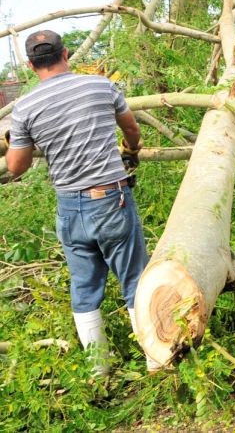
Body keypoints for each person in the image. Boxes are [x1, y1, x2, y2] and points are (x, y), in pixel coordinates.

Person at [5, 30, 149, 378]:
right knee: (135, 280)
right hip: (111, 199)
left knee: (84, 288)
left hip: (70, 206)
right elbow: (132, 130)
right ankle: (157, 361)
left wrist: (13, 142)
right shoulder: (100, 86)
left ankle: (99, 373)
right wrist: (131, 151)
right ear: (65, 53)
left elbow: (15, 167)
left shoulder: (24, 107)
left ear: (29, 65)